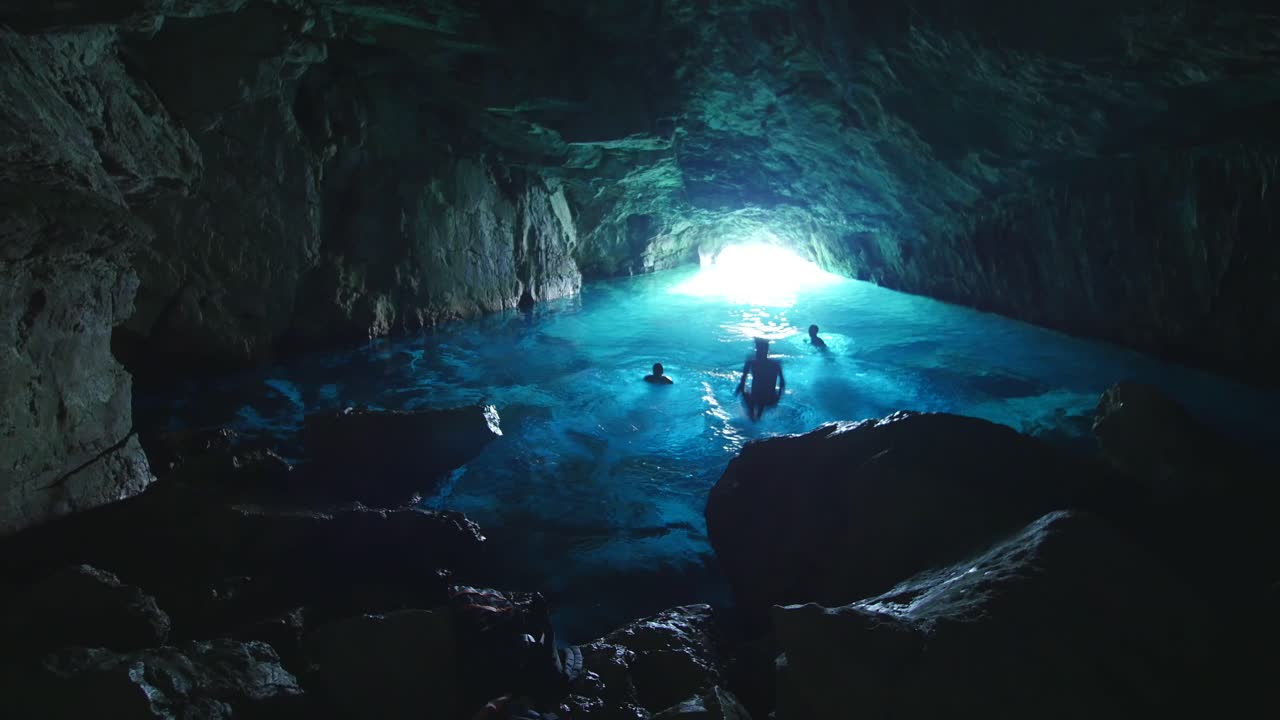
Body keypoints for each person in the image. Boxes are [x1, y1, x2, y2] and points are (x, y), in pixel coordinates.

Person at [735, 338, 785, 420]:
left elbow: (742, 382)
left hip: (758, 397)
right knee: (758, 400)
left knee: (749, 394)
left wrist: (740, 392)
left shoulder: (751, 363)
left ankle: (753, 417)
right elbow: (782, 383)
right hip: (771, 398)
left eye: (758, 349)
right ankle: (756, 417)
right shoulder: (775, 364)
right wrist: (778, 398)